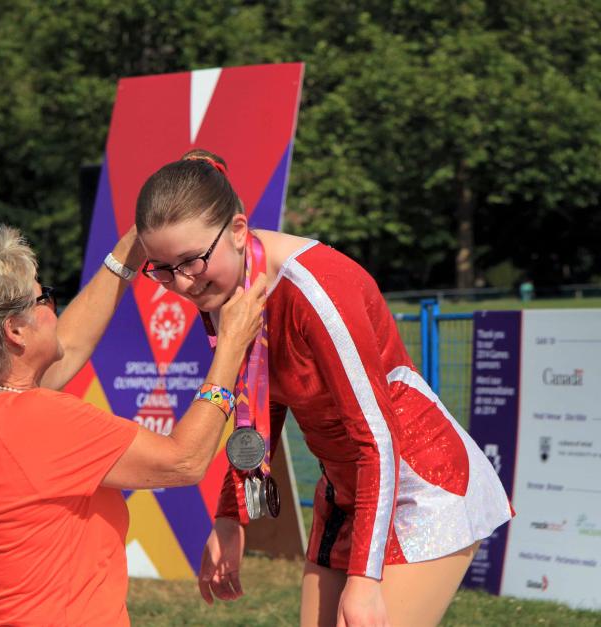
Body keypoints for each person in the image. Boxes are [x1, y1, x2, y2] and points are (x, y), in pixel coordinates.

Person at [135, 150, 513, 627]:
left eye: (190, 261)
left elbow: (378, 439)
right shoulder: (221, 284)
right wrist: (230, 516)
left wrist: (365, 580)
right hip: (346, 489)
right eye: (162, 269)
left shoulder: (317, 288)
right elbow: (259, 402)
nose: (182, 284)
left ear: (236, 230)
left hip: (420, 483)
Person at [0, 225, 266, 626]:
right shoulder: (39, 422)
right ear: (15, 331)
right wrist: (232, 345)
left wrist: (131, 247)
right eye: (43, 298)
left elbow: (69, 345)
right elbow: (183, 461)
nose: (53, 308)